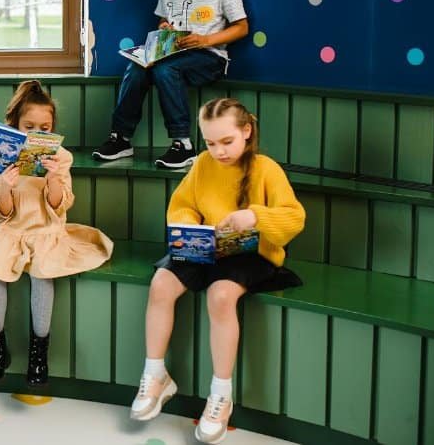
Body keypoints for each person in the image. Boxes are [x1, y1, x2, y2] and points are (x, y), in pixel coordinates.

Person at [129, 98, 305, 444]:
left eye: (226, 141)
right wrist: (189, 225)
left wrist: (255, 216)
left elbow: (294, 217)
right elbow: (182, 205)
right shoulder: (204, 165)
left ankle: (221, 395)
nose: (219, 151)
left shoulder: (266, 169)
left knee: (221, 295)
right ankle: (155, 374)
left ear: (247, 131)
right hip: (206, 247)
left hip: (253, 253)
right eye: (210, 142)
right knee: (161, 283)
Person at [0, 80, 113, 386]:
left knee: (43, 270)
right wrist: (7, 186)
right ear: (14, 125)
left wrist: (53, 177)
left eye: (45, 127)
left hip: (45, 228)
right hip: (10, 228)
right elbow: (0, 212)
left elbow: (59, 205)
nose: (37, 132)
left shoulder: (61, 157)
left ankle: (39, 353)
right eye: (29, 126)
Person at [92, 0, 249, 169]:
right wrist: (164, 28)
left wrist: (206, 40)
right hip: (173, 52)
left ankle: (182, 144)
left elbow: (241, 27)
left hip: (210, 57)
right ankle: (120, 138)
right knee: (136, 67)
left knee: (166, 69)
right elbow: (163, 21)